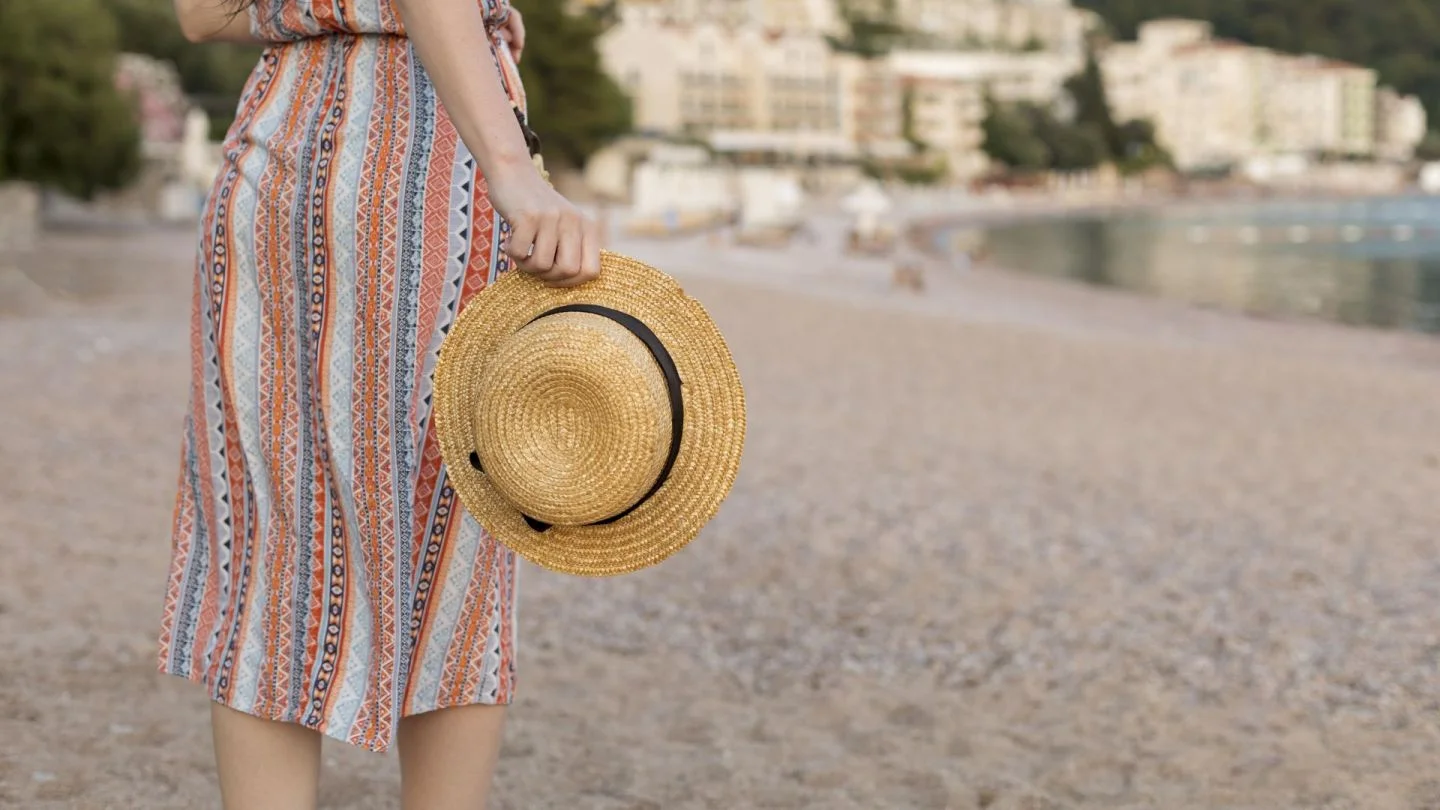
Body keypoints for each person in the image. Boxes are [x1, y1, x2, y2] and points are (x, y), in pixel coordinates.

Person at [157, 1, 601, 808]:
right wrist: (512, 159)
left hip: (284, 144)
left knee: (273, 556)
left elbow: (202, 15)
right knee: (457, 547)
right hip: (428, 158)